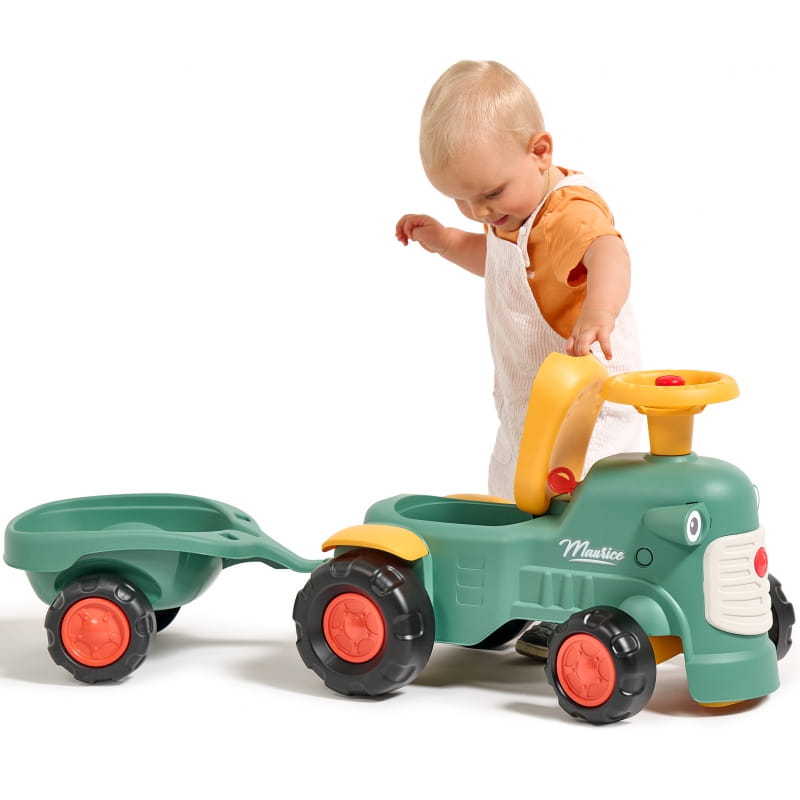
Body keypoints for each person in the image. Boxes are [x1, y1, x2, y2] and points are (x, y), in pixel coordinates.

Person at [395, 60, 642, 658]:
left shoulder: (567, 213)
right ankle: (520, 603)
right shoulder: (511, 215)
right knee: (515, 500)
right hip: (529, 404)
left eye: (489, 194)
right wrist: (445, 241)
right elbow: (502, 262)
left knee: (577, 515)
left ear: (540, 151)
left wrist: (600, 310)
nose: (479, 212)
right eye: (460, 199)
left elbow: (609, 252)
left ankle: (580, 611)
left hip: (587, 407)